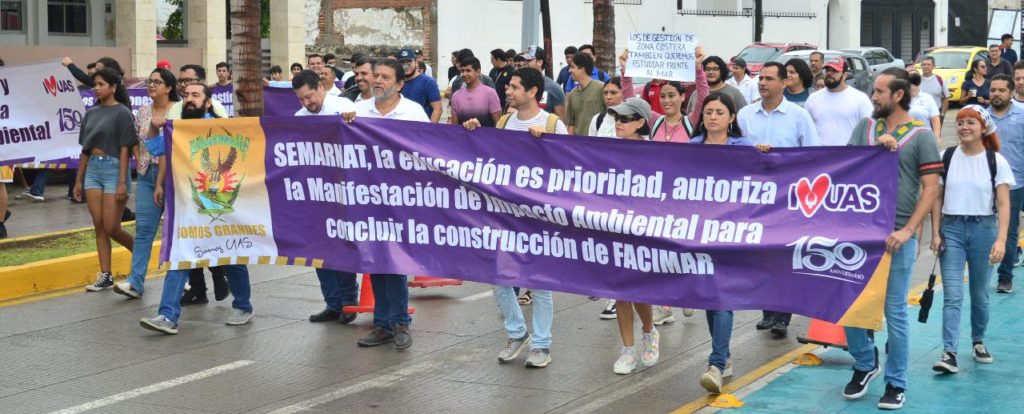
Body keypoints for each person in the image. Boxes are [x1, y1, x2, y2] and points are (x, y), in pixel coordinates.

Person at [842, 67, 941, 410]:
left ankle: (896, 382)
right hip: (859, 234)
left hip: (897, 236)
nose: (873, 96)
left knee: (895, 312)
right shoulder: (865, 128)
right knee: (851, 305)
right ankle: (864, 362)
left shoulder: (922, 136)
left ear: (899, 95)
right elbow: (845, 168)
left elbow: (931, 189)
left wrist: (908, 230)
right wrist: (875, 150)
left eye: (880, 91)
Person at [462, 68, 566, 369]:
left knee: (539, 282)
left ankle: (542, 344)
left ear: (532, 92)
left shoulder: (552, 124)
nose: (508, 91)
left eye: (515, 87)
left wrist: (546, 145)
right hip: (506, 213)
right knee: (498, 277)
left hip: (539, 216)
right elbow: (491, 158)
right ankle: (517, 333)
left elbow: (567, 166)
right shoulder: (505, 122)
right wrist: (474, 133)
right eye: (508, 86)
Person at [139, 84, 255, 335]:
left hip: (223, 208)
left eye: (195, 95)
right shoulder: (178, 128)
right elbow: (155, 148)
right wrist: (154, 127)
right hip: (187, 208)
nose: (189, 100)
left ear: (208, 102)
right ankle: (167, 315)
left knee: (232, 256)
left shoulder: (225, 127)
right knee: (180, 256)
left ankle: (243, 306)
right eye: (186, 96)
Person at [343, 60, 427, 351]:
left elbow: (429, 151)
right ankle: (382, 324)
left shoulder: (413, 112)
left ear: (400, 84)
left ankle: (400, 322)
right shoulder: (359, 110)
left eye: (385, 77)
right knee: (375, 260)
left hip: (401, 199)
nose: (377, 80)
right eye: (376, 75)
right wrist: (346, 124)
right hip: (368, 198)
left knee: (396, 260)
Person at [739, 61, 820, 337]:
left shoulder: (798, 116)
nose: (762, 83)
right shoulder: (745, 115)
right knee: (761, 255)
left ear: (784, 83)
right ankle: (768, 311)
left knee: (784, 256)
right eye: (760, 78)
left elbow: (812, 154)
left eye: (769, 78)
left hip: (788, 197)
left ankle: (782, 315)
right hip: (755, 197)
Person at [689, 92, 763, 393]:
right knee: (711, 297)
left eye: (719, 112)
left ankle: (716, 365)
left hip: (732, 233)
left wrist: (764, 154)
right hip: (698, 232)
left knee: (721, 297)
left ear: (732, 117)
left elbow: (763, 179)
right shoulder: (691, 148)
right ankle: (725, 356)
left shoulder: (744, 147)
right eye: (708, 112)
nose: (713, 117)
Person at [929, 104, 1011, 376]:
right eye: (961, 122)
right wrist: (935, 232)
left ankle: (978, 340)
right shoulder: (947, 156)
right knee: (952, 294)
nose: (964, 127)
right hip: (951, 229)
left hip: (983, 230)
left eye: (971, 122)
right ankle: (949, 352)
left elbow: (1003, 203)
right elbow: (937, 197)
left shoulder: (995, 161)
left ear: (984, 128)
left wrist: (1001, 240)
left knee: (979, 293)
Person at [288, 69, 360, 323]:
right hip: (315, 192)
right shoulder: (299, 118)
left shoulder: (344, 107)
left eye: (309, 96)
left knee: (341, 248)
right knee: (318, 249)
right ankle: (332, 302)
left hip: (342, 191)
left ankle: (348, 302)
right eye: (301, 99)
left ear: (320, 87)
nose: (307, 103)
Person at [599, 97, 664, 374]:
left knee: (638, 290)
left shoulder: (654, 152)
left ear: (640, 123)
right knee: (619, 291)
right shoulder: (606, 149)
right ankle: (627, 349)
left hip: (642, 229)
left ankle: (649, 332)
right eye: (617, 118)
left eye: (625, 119)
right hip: (613, 227)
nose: (619, 123)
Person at [113, 68, 178, 299]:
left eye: (157, 82)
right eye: (150, 81)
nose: (151, 85)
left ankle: (184, 281)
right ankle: (135, 281)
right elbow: (137, 140)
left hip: (172, 178)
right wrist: (139, 160)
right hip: (146, 175)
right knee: (143, 231)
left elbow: (169, 149)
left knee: (176, 231)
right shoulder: (143, 111)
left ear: (169, 87)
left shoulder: (178, 110)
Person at [73, 68, 138, 292]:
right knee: (99, 226)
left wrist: (122, 181)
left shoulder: (123, 113)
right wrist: (78, 180)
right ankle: (105, 275)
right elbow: (85, 149)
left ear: (113, 87)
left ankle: (141, 255)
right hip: (93, 170)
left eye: (101, 84)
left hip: (114, 169)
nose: (96, 88)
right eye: (95, 84)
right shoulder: (91, 113)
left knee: (112, 227)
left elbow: (125, 149)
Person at [987, 74, 1024, 294]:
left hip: (1013, 185)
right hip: (984, 184)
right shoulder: (980, 117)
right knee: (983, 230)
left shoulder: (1021, 117)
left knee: (1009, 231)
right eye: (993, 90)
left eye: (1002, 90)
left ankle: (1005, 277)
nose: (996, 94)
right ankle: (982, 274)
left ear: (1011, 93)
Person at [805, 56, 874, 146]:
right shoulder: (813, 98)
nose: (829, 74)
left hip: (849, 153)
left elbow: (870, 129)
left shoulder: (860, 98)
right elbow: (805, 129)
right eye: (827, 70)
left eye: (834, 71)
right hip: (819, 153)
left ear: (844, 75)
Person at [449, 56, 501, 128]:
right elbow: (455, 127)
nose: (464, 74)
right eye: (462, 71)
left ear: (478, 72)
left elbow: (498, 124)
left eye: (468, 71)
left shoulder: (490, 93)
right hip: (463, 135)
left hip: (485, 135)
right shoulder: (456, 96)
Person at [395, 48, 442, 123]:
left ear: (416, 63)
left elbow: (437, 109)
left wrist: (429, 128)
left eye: (409, 62)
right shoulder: (395, 83)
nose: (405, 66)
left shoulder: (428, 82)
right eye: (402, 63)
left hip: (421, 127)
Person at [564, 52, 606, 135]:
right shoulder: (572, 94)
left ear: (582, 68)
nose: (570, 70)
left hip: (599, 140)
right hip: (578, 142)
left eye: (573, 67)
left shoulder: (601, 88)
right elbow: (571, 125)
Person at [520, 46, 567, 119]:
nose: (525, 63)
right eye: (524, 60)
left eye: (529, 60)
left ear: (540, 62)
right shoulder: (519, 85)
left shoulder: (553, 88)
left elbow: (561, 119)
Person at [919, 56, 951, 122]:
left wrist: (942, 114)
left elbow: (946, 98)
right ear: (921, 66)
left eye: (929, 64)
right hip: (919, 115)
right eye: (924, 64)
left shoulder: (940, 80)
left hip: (936, 115)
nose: (926, 66)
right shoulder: (916, 80)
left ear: (934, 66)